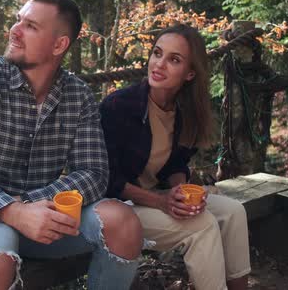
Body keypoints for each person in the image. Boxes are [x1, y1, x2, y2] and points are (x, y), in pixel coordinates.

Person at [0, 0, 143, 290]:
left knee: (124, 222)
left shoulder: (78, 96)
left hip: (37, 219)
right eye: (19, 20)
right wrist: (12, 210)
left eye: (30, 26)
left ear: (59, 45)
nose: (15, 30)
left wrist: (29, 206)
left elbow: (93, 174)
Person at [100, 24, 251, 290]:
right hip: (117, 207)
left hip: (155, 199)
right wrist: (161, 201)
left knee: (233, 211)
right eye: (157, 53)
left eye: (174, 59)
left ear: (190, 73)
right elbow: (106, 179)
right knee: (201, 225)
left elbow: (175, 164)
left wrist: (181, 190)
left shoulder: (184, 111)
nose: (159, 64)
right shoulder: (118, 107)